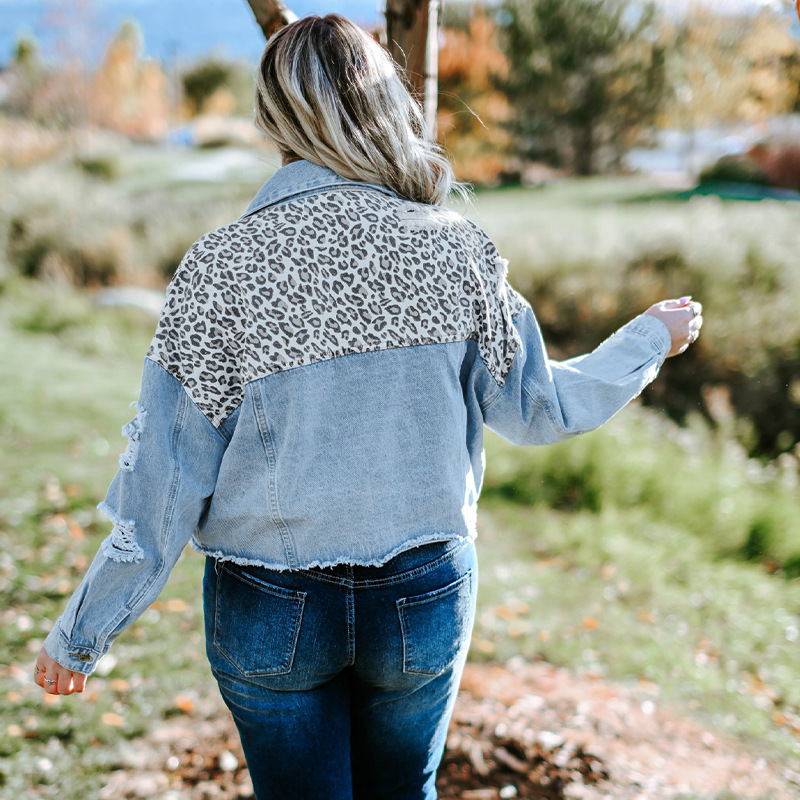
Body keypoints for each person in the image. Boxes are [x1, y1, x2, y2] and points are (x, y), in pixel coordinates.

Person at [33, 13, 703, 800]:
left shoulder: (221, 266)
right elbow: (540, 408)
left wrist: (82, 633)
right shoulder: (455, 245)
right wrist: (645, 341)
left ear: (274, 116)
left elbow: (167, 478)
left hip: (269, 602)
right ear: (385, 103)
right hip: (423, 593)